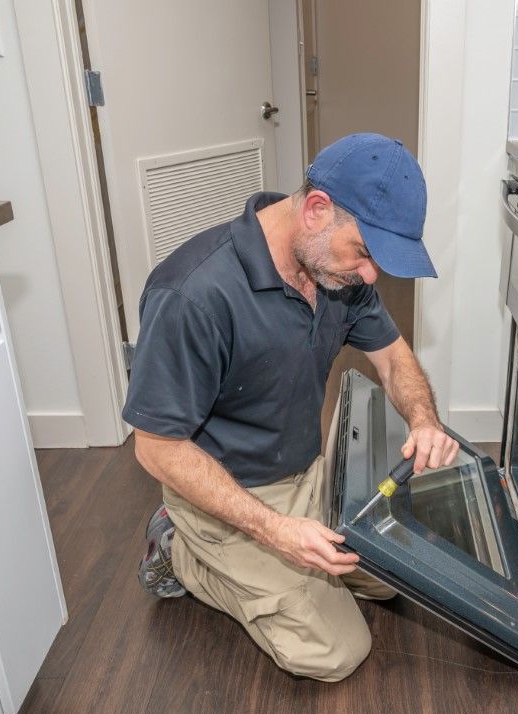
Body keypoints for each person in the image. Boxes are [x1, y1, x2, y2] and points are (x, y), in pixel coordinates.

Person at [122, 133, 459, 682]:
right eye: (367, 253)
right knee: (335, 652)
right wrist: (276, 531)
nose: (371, 276)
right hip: (227, 497)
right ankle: (181, 547)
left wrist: (423, 420)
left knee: (397, 577)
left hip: (310, 473)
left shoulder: (337, 276)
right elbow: (156, 448)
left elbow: (394, 358)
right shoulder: (193, 294)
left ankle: (283, 554)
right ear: (316, 210)